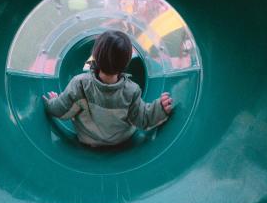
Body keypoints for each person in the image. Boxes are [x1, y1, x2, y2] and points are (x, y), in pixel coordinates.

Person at [42, 30, 173, 147]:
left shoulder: (79, 84)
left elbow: (60, 111)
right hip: (122, 140)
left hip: (88, 139)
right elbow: (142, 119)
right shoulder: (132, 90)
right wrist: (160, 108)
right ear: (127, 62)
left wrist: (52, 102)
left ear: (94, 56)